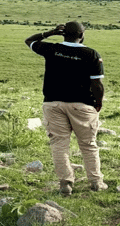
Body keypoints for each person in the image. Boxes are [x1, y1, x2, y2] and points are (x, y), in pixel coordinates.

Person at [25, 21, 107, 196]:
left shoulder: (51, 49)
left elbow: (29, 41)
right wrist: (98, 102)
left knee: (59, 144)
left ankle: (65, 183)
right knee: (88, 144)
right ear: (82, 35)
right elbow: (97, 84)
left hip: (53, 103)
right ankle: (96, 181)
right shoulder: (91, 54)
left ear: (62, 34)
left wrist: (49, 33)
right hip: (82, 104)